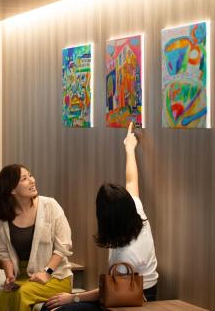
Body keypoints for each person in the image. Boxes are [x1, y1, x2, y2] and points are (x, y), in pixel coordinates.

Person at [43, 122, 158, 311]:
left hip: (137, 298)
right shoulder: (136, 212)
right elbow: (131, 180)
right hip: (129, 290)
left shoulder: (126, 255)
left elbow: (112, 291)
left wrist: (73, 298)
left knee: (58, 309)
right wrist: (130, 148)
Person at [0, 164, 74, 311]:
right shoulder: (2, 216)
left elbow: (64, 245)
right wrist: (9, 276)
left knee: (23, 294)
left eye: (30, 175)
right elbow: (2, 251)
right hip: (23, 276)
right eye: (24, 178)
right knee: (3, 299)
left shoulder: (50, 205)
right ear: (11, 189)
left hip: (56, 276)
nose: (32, 180)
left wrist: (46, 272)